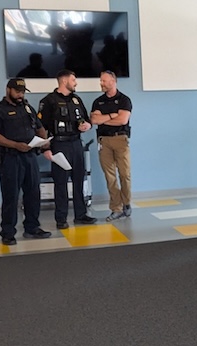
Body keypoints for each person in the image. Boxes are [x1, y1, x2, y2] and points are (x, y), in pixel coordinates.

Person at [0, 78, 52, 246]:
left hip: (29, 156)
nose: (20, 95)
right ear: (8, 90)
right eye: (17, 91)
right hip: (10, 157)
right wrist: (15, 145)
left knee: (33, 193)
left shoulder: (27, 108)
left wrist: (44, 141)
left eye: (22, 92)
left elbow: (39, 127)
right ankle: (8, 232)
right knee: (11, 196)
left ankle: (32, 227)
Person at [38, 69, 97, 229]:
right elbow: (41, 127)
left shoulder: (76, 100)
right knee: (61, 182)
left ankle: (81, 214)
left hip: (76, 143)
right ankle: (61, 218)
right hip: (59, 144)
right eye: (73, 80)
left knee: (79, 179)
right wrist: (45, 148)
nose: (75, 83)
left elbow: (86, 119)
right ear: (64, 81)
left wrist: (87, 125)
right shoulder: (48, 101)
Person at [91, 70, 133, 222]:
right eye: (101, 80)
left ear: (113, 81)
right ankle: (116, 208)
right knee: (110, 176)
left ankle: (126, 203)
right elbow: (94, 120)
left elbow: (123, 120)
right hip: (104, 141)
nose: (101, 83)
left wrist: (104, 119)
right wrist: (112, 115)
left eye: (104, 81)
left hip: (120, 139)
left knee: (124, 174)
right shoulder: (98, 102)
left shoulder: (124, 100)